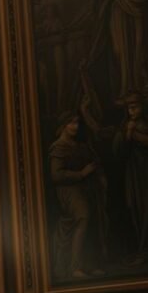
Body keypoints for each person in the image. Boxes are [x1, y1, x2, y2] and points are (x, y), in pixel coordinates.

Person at [112, 92, 148, 264]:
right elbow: (117, 152)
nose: (132, 111)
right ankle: (144, 249)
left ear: (142, 106)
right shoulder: (124, 126)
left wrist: (137, 136)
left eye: (135, 107)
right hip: (134, 175)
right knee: (137, 209)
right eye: (129, 108)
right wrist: (127, 134)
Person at [49, 114, 108, 278]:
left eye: (77, 123)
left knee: (91, 222)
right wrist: (81, 174)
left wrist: (100, 177)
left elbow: (95, 164)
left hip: (85, 189)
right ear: (63, 126)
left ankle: (89, 264)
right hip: (69, 190)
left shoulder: (81, 145)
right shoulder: (59, 147)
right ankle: (74, 267)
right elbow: (56, 175)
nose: (75, 126)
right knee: (83, 217)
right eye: (71, 123)